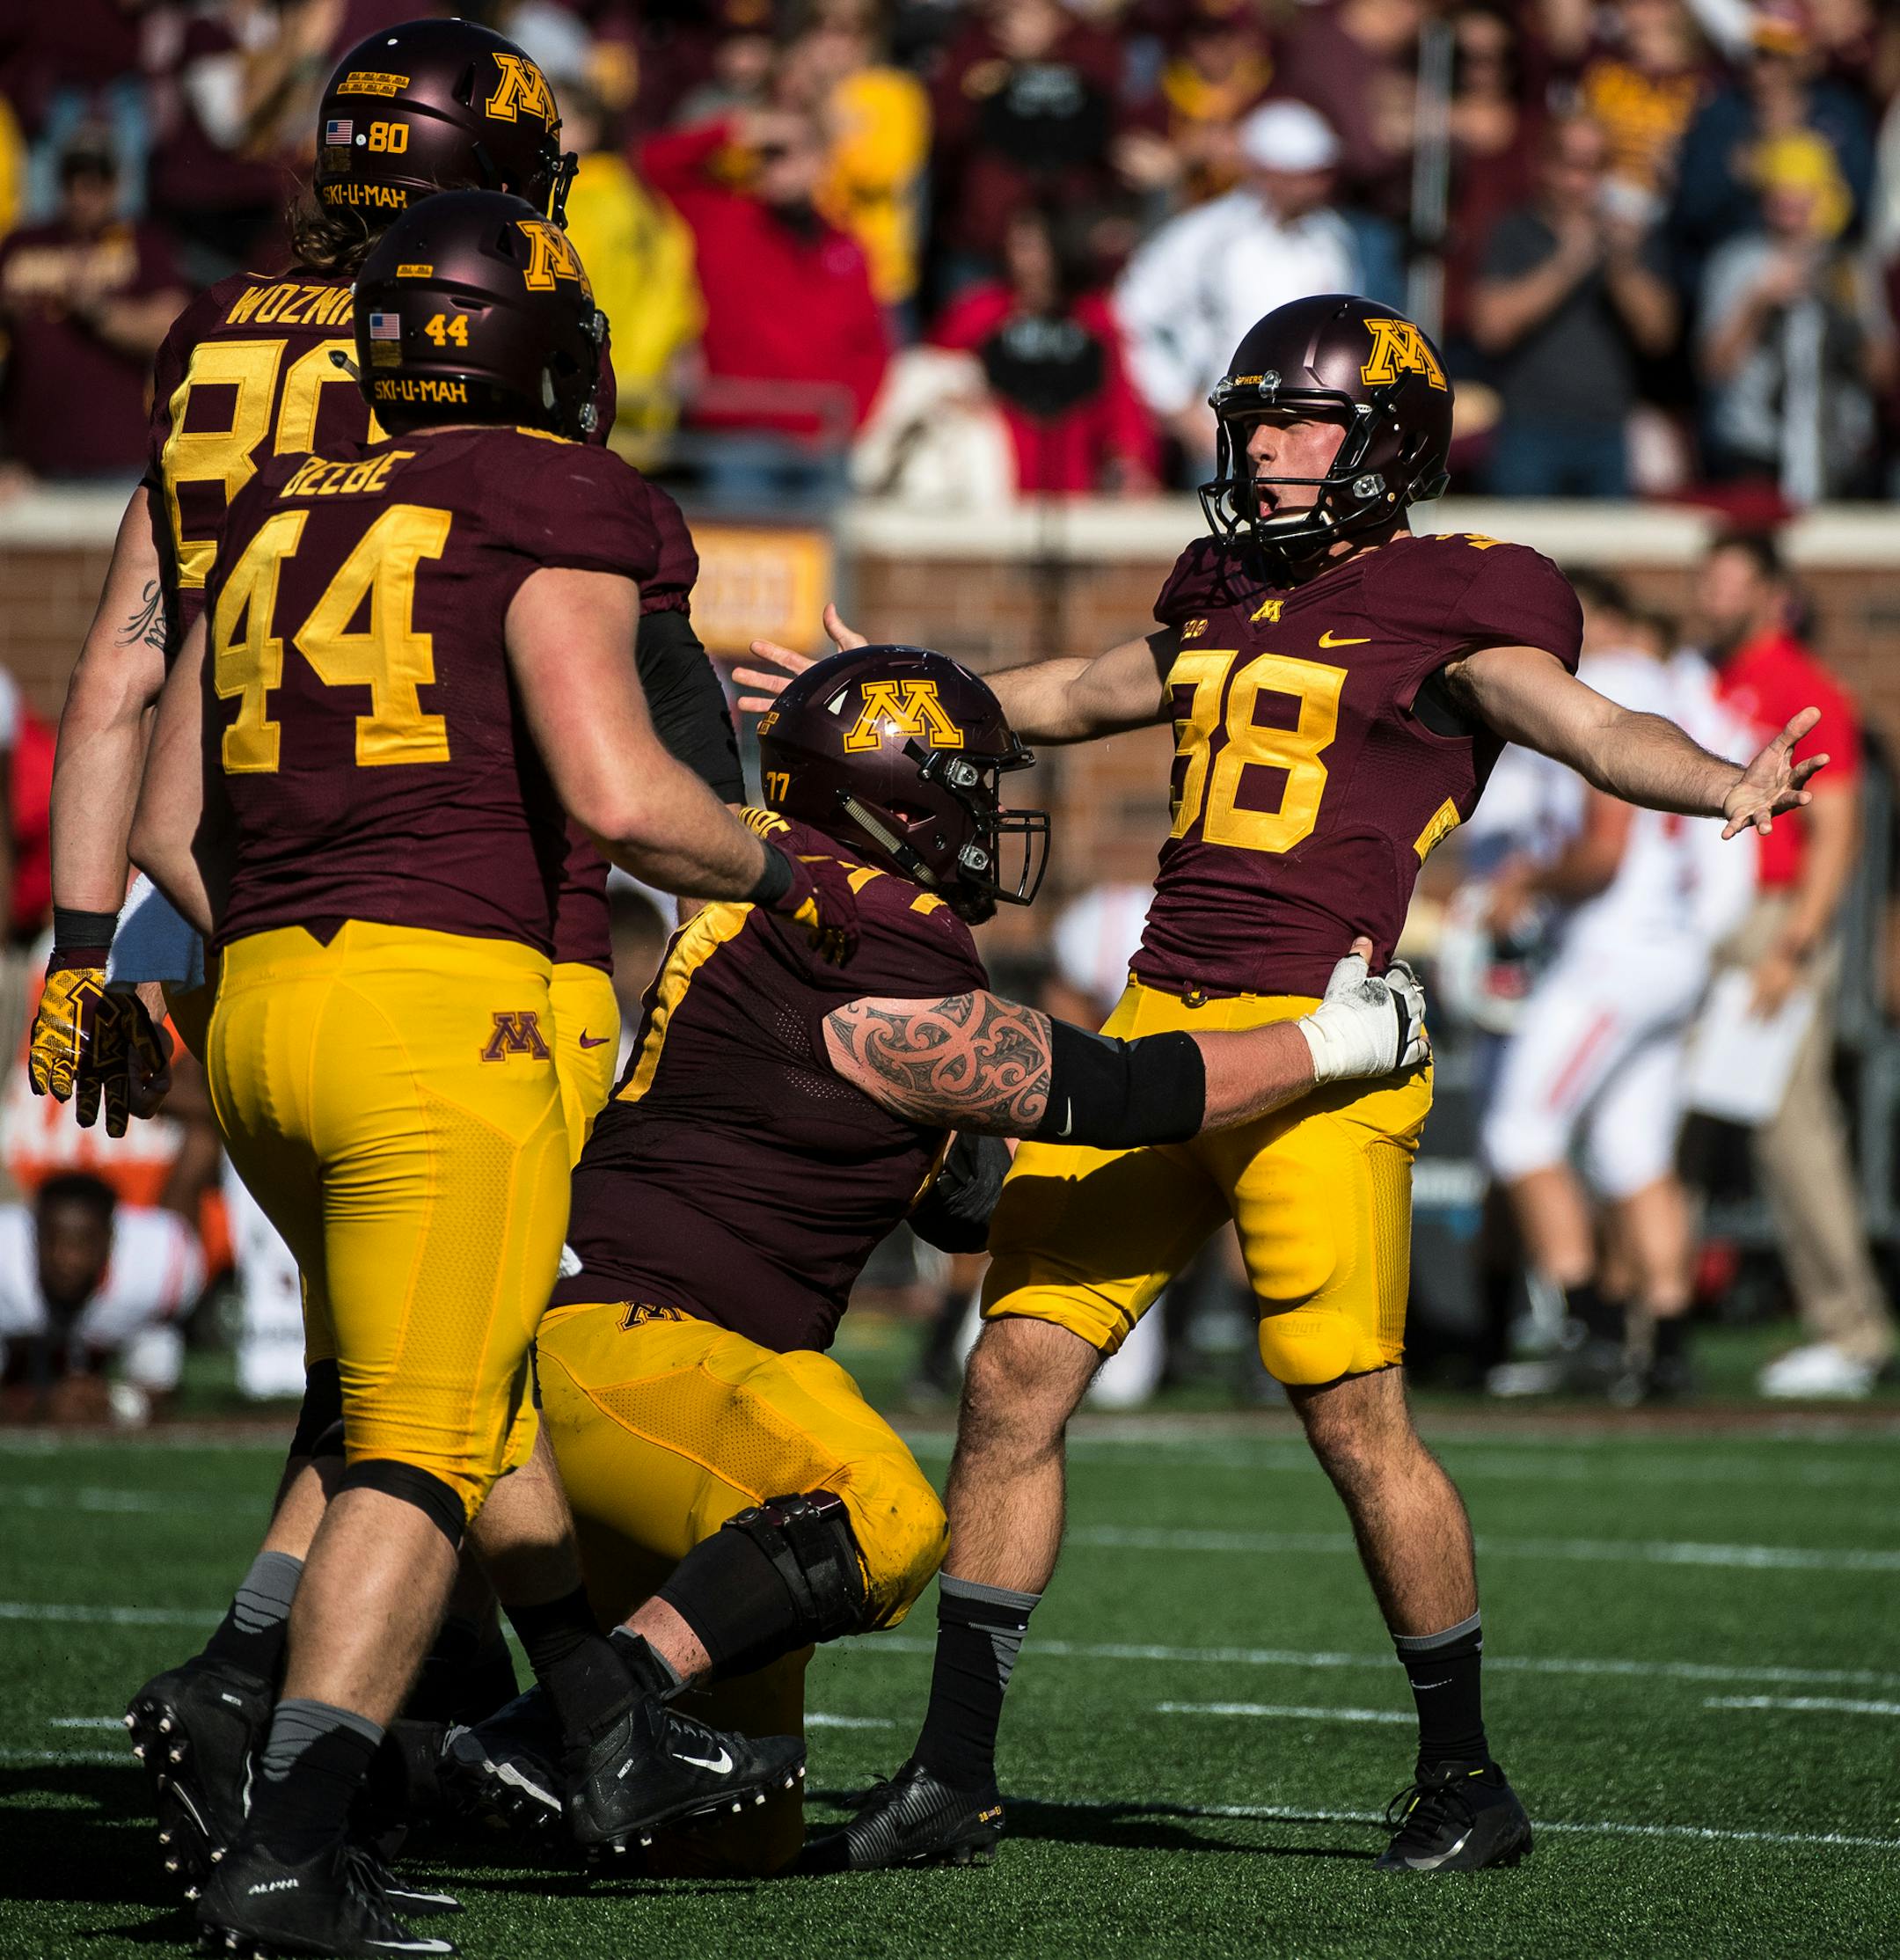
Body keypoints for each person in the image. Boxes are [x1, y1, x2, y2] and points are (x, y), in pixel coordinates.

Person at [737, 291, 1823, 1876]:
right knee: (1011, 1376)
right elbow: (1089, 690)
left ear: (1389, 445)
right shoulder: (1223, 582)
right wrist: (921, 687)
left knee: (1356, 1420)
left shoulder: (1464, 599)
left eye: (1300, 421)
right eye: (1252, 420)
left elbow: (1587, 725)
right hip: (1163, 1024)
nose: (1264, 448)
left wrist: (1724, 778)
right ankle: (955, 1768)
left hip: (1326, 1047)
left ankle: (1465, 1777)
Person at [125, 187, 857, 1957]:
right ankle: (292, 1834)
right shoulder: (554, 495)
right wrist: (792, 868)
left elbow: (162, 818)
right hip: (444, 1015)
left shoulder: (289, 502)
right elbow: (622, 798)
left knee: (406, 1398)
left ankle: (548, 1725)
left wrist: (302, 944)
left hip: (265, 1004)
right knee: (421, 1449)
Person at [440, 643, 1429, 1876]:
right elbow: (1120, 1090)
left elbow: (938, 1179)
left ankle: (496, 1744)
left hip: (640, 1384)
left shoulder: (769, 873)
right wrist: (1334, 1043)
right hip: (645, 1354)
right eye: (974, 785)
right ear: (907, 793)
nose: (989, 818)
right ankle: (565, 1718)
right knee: (886, 1518)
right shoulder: (873, 935)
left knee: (740, 1840)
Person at [1479, 574, 1753, 1402]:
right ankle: (1665, 1343)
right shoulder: (1675, 685)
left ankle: (1588, 1329)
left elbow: (1603, 853)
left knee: (1520, 1131)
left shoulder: (1617, 684)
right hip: (1670, 947)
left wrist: (1530, 883)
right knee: (1631, 1151)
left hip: (1616, 951)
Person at [1695, 528, 1894, 1399]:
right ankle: (1632, 1323)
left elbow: (1837, 828)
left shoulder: (1806, 690)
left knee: (1792, 1130)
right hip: (1700, 920)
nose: (1713, 594)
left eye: (1732, 580)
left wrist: (1796, 945)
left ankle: (1852, 1330)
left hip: (1775, 923)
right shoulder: (1705, 679)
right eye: (1710, 578)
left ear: (1775, 593)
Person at [640, 106, 890, 503]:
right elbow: (649, 167)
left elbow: (871, 345)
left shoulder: (847, 248)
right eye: (767, 155)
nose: (776, 168)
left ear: (820, 163)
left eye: (789, 153)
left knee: (826, 563)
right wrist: (736, 130)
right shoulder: (723, 220)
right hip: (741, 439)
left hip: (823, 447)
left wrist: (848, 425)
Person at [1115, 100, 1358, 464]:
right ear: (1270, 172)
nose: (1320, 185)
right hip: (1224, 430)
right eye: (1307, 174)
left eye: (1322, 173)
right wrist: (1177, 405)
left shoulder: (1333, 239)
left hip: (1309, 433)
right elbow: (1133, 312)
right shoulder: (1206, 235)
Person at [1469, 113, 1677, 498]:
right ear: (1543, 164)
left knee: (1604, 554)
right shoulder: (1514, 231)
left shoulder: (1631, 238)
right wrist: (1569, 262)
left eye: (1595, 167)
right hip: (1528, 428)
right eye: (1569, 164)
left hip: (1608, 430)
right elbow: (1491, 328)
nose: (1580, 182)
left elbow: (1658, 334)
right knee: (1520, 552)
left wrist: (1622, 265)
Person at [1696, 130, 1889, 504]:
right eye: (1780, 201)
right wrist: (1756, 302)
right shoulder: (1736, 263)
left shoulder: (1851, 267)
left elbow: (1882, 375)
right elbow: (1713, 368)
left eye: (1802, 202)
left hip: (1840, 455)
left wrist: (1849, 309)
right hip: (1756, 453)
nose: (1791, 215)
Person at [930, 202, 1158, 495]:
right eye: (1021, 247)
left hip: (1075, 484)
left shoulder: (1094, 319)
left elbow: (1120, 400)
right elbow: (933, 379)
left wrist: (1129, 460)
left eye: (1039, 247)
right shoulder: (979, 312)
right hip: (997, 483)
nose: (1030, 261)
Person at [0, 126, 186, 483]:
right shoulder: (22, 243)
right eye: (73, 180)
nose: (83, 194)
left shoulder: (145, 245)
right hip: (29, 471)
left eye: (96, 182)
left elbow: (173, 329)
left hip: (121, 464)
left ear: (117, 184)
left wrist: (96, 309)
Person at [0, 1170, 204, 1425]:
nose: (67, 1260)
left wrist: (116, 1402)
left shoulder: (157, 1267)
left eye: (83, 1243)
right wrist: (37, 1402)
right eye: (53, 1241)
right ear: (33, 1237)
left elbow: (159, 1390)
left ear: (110, 1239)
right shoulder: (6, 1271)